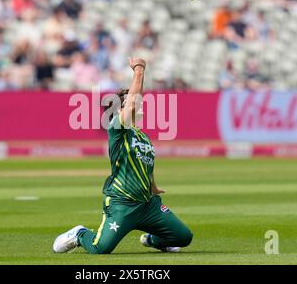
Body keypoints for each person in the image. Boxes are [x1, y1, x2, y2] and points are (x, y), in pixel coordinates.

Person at [53, 58, 193, 254]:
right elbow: (133, 101)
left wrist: (153, 186)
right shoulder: (117, 129)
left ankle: (152, 240)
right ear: (119, 111)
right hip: (122, 204)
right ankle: (79, 234)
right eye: (130, 103)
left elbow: (145, 165)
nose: (138, 103)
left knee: (184, 237)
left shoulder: (142, 135)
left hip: (148, 206)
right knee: (100, 248)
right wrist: (139, 70)